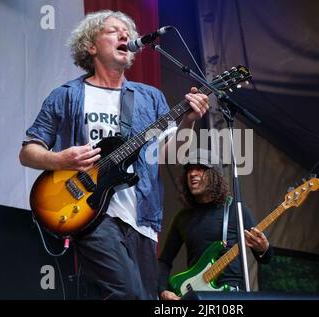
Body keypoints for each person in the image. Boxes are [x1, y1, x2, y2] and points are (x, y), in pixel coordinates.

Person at [19, 10, 209, 300]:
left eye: (128, 32)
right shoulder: (66, 94)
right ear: (90, 46)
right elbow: (28, 152)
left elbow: (165, 155)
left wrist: (190, 120)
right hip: (89, 211)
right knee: (130, 293)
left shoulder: (149, 97)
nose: (125, 35)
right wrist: (60, 160)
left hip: (141, 217)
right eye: (113, 30)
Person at [158, 149, 272, 300]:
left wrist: (263, 249)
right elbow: (164, 260)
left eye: (200, 168)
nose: (192, 174)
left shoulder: (236, 210)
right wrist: (162, 290)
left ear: (214, 175)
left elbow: (265, 258)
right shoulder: (182, 218)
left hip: (231, 295)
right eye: (190, 169)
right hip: (195, 294)